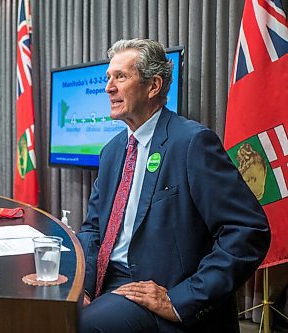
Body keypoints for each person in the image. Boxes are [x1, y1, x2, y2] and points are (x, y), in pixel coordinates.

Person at [77, 38, 270, 333]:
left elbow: (247, 231)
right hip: (107, 283)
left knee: (77, 326)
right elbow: (93, 229)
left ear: (153, 86)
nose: (108, 88)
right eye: (108, 78)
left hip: (157, 293)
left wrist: (181, 299)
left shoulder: (192, 142)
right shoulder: (112, 151)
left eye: (121, 77)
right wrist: (86, 287)